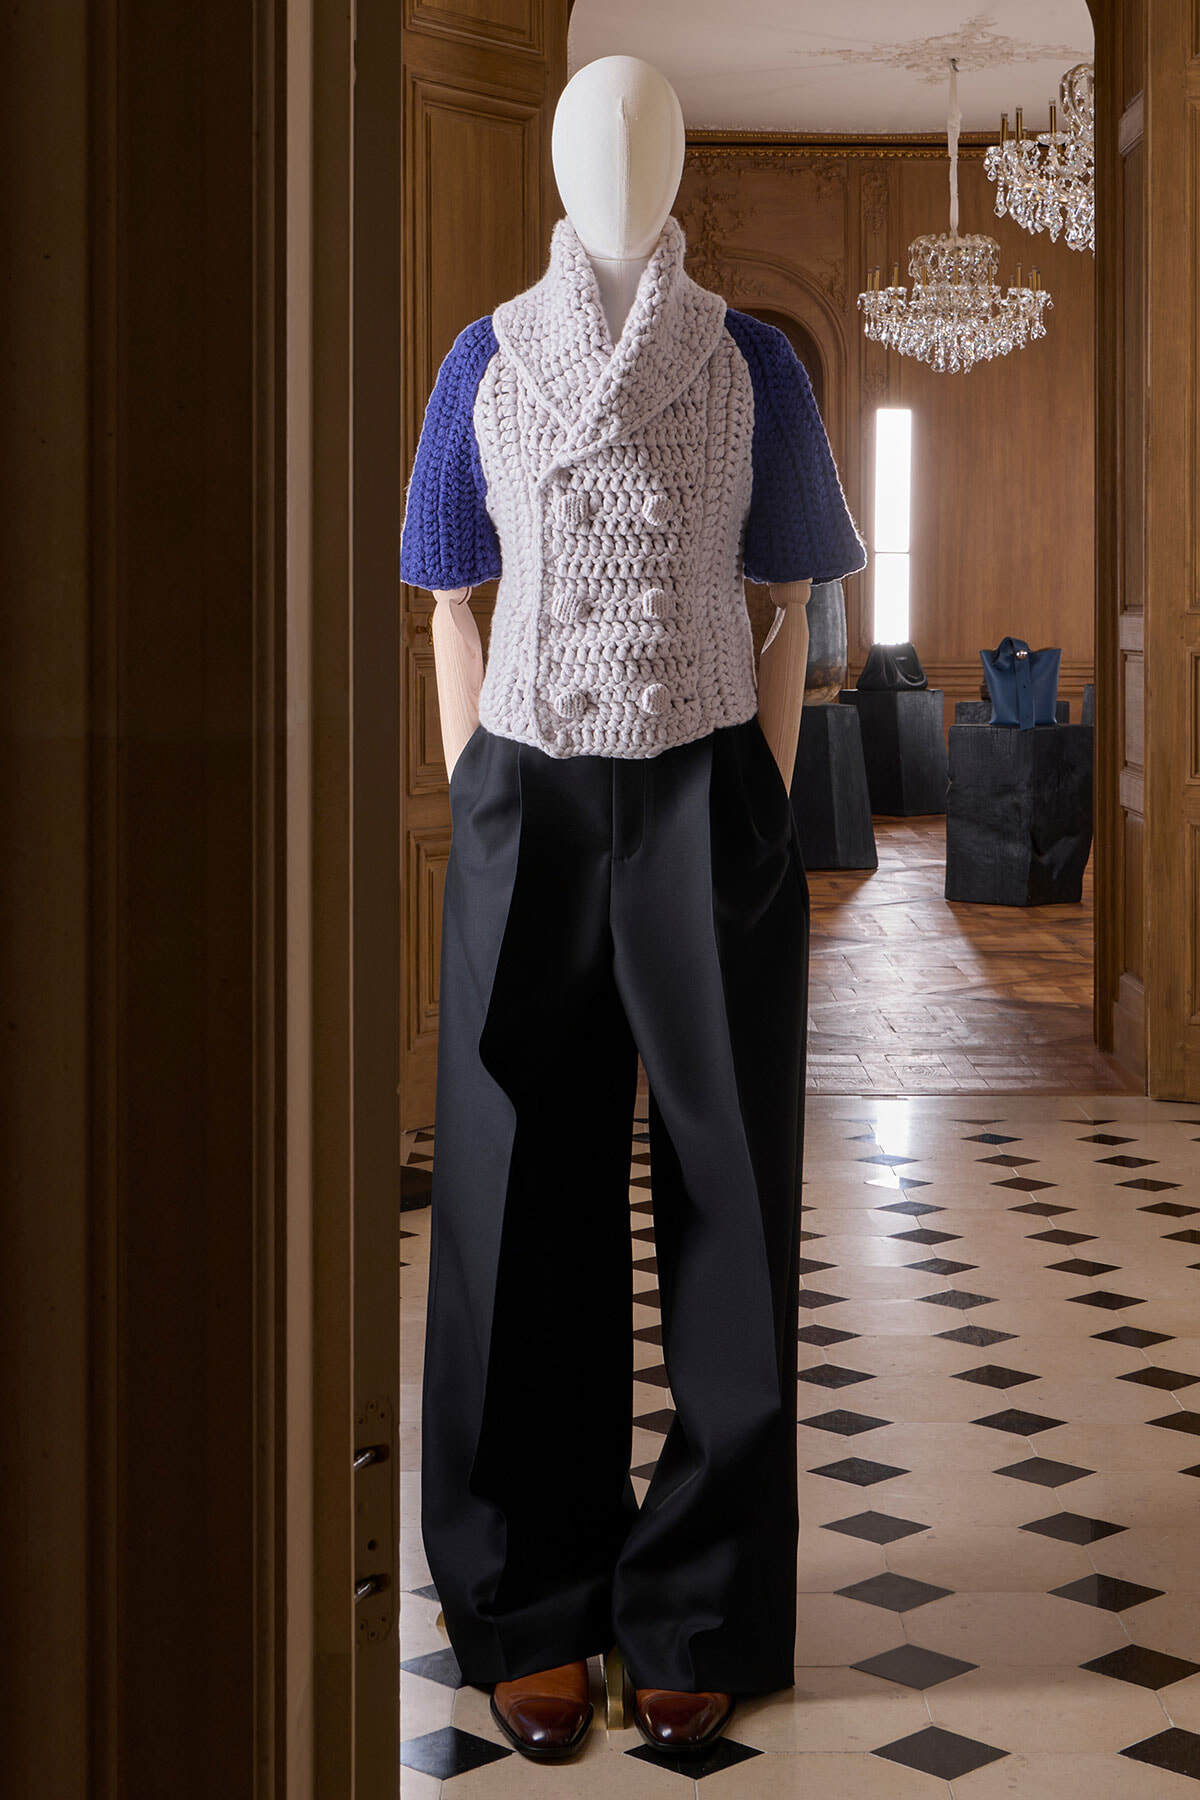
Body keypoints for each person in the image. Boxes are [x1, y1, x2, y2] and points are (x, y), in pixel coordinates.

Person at [400, 54, 867, 1763]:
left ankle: (702, 1605)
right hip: (525, 787)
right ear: (555, 162)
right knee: (520, 1200)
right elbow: (451, 588)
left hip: (702, 795)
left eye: (651, 135)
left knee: (731, 1195)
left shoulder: (749, 363)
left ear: (678, 168)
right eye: (601, 134)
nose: (626, 161)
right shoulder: (483, 361)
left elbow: (794, 590)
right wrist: (474, 784)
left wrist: (755, 794)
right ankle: (526, 1601)